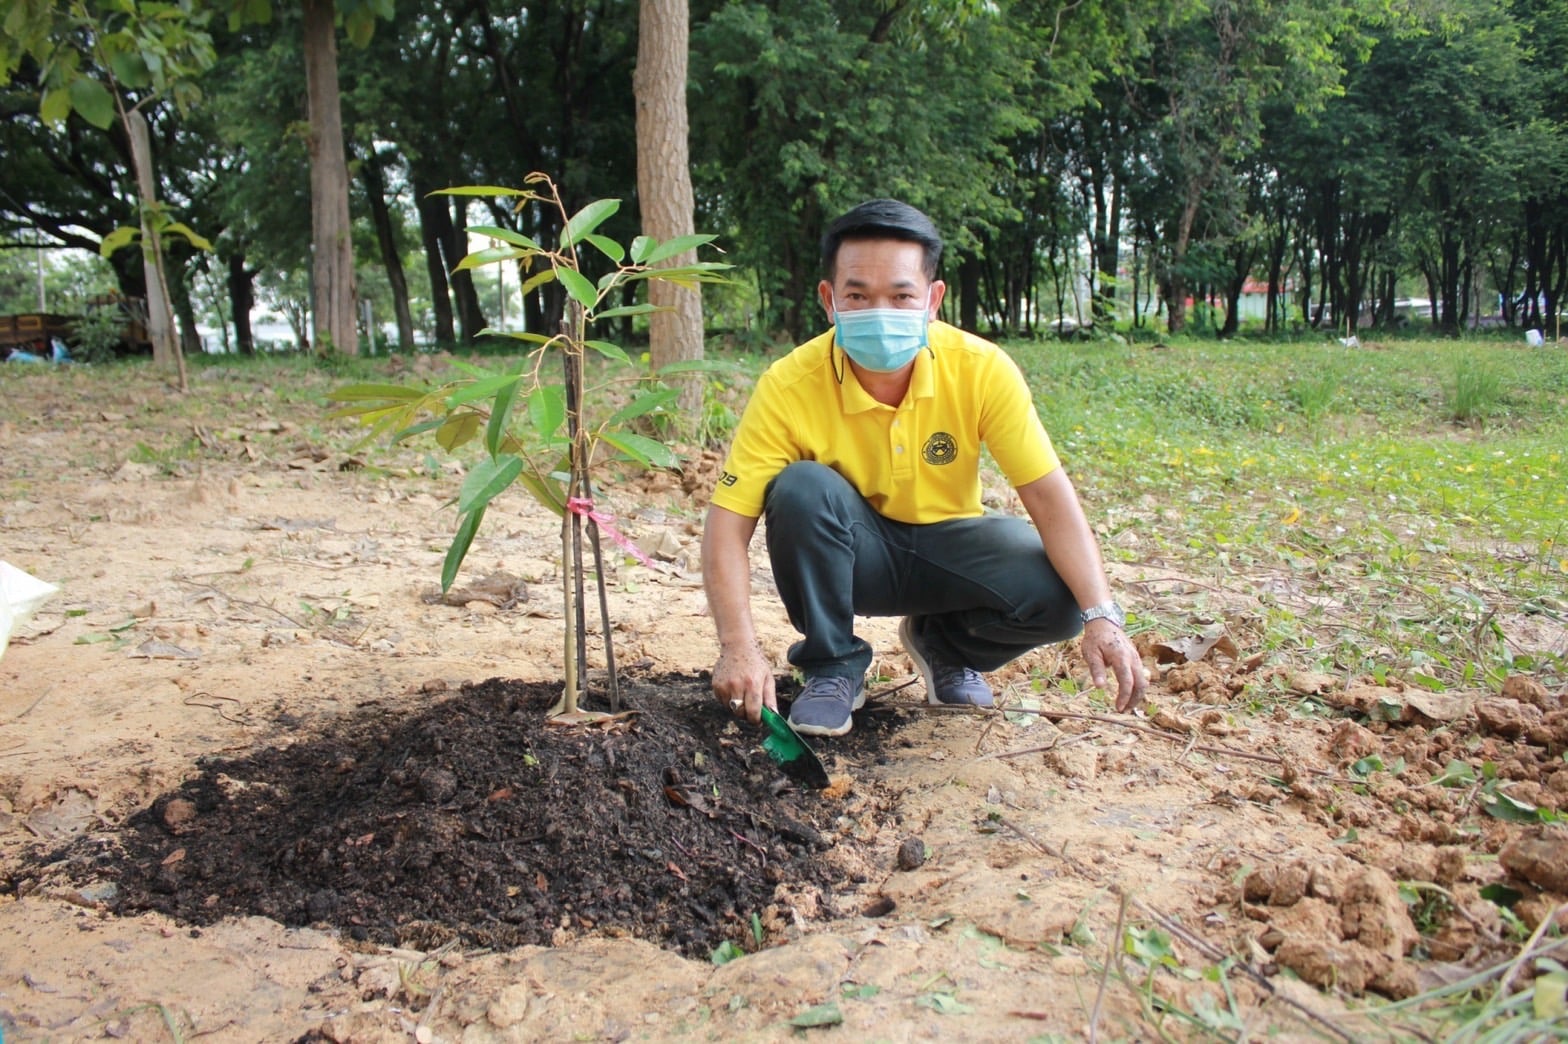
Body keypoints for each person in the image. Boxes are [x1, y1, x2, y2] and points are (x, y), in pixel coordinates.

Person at [702, 199, 1146, 737]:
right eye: (857, 296)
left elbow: (1049, 497)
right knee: (801, 487)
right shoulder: (789, 384)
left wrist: (1102, 615)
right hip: (852, 556)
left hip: (950, 554)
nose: (879, 312)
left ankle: (946, 646)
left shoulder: (981, 369)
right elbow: (728, 522)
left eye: (901, 295)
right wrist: (737, 646)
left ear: (933, 299)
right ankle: (832, 665)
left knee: (1061, 596)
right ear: (829, 300)